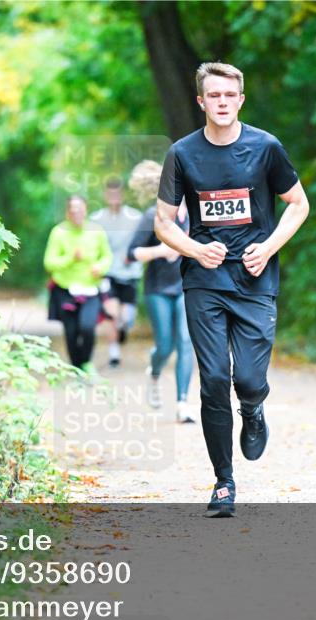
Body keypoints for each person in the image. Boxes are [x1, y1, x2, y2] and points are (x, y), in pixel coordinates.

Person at [154, 62, 310, 518]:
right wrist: (194, 250)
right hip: (204, 280)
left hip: (256, 278)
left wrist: (269, 246)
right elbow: (164, 223)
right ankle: (224, 482)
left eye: (229, 95)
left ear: (240, 99)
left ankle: (255, 408)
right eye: (213, 96)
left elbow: (298, 205)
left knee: (247, 380)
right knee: (214, 381)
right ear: (200, 102)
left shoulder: (266, 147)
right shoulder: (182, 154)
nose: (222, 103)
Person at [126, 160, 196, 424]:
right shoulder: (153, 215)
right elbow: (131, 254)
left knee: (185, 341)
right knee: (165, 345)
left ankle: (182, 403)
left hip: (187, 286)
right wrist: (161, 251)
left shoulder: (197, 216)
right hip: (158, 288)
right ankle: (154, 372)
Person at [44, 195, 113, 372]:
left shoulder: (96, 231)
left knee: (88, 327)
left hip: (91, 289)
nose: (77, 214)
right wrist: (70, 258)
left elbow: (107, 256)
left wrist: (100, 267)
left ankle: (86, 362)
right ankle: (76, 367)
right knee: (71, 332)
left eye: (80, 210)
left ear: (86, 211)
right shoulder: (58, 232)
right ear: (67, 213)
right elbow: (49, 263)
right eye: (73, 211)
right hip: (65, 289)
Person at [90, 178, 144, 368]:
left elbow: (143, 240)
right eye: (110, 194)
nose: (114, 197)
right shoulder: (96, 219)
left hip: (130, 273)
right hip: (107, 272)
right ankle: (114, 354)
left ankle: (123, 329)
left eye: (117, 193)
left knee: (126, 317)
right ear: (105, 195)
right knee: (111, 313)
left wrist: (134, 255)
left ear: (123, 195)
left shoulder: (136, 217)